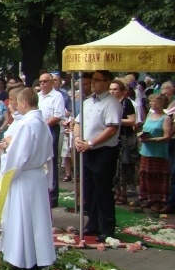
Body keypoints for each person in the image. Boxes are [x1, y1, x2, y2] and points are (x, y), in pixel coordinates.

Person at [0, 88, 56, 270]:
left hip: (24, 175)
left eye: (17, 103)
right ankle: (39, 255)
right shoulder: (42, 123)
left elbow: (19, 155)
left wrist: (9, 146)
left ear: (24, 103)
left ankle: (21, 257)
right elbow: (49, 154)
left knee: (22, 217)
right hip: (37, 174)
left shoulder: (27, 124)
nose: (16, 106)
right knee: (37, 218)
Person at [74, 70, 123, 242]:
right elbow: (78, 122)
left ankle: (107, 227)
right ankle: (93, 223)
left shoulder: (112, 103)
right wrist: (77, 137)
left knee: (102, 189)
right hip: (87, 149)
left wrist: (91, 143)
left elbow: (111, 129)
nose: (93, 83)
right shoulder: (88, 102)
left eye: (97, 80)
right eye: (92, 80)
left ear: (107, 82)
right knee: (89, 189)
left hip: (103, 150)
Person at [139, 94, 172, 210]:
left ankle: (158, 201)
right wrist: (142, 136)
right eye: (150, 101)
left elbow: (167, 136)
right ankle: (148, 198)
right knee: (146, 175)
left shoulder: (166, 118)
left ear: (160, 103)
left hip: (158, 153)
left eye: (153, 101)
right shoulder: (149, 115)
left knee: (157, 177)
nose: (151, 103)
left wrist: (150, 140)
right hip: (145, 151)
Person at [38, 73, 66, 208]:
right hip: (39, 129)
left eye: (45, 81)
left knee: (51, 160)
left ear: (51, 82)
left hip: (51, 128)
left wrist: (43, 125)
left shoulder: (57, 96)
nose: (42, 84)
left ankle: (53, 196)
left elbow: (58, 115)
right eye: (41, 81)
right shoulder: (38, 96)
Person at [109, 79, 137, 205]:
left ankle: (123, 193)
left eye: (115, 89)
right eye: (110, 89)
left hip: (125, 138)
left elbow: (132, 121)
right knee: (115, 167)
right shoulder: (110, 103)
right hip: (113, 137)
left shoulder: (127, 103)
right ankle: (117, 192)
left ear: (121, 91)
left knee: (123, 166)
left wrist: (117, 121)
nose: (112, 91)